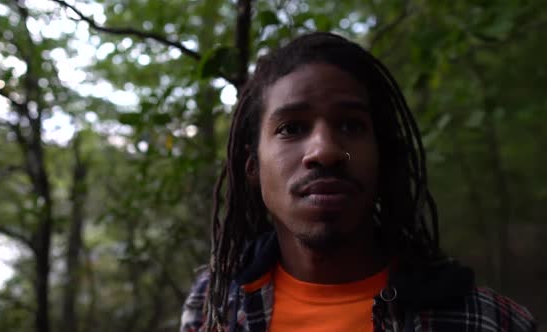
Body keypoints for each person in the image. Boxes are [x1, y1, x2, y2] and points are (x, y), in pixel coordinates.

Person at [180, 32, 536, 332]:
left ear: (383, 157)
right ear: (252, 166)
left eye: (351, 126)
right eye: (291, 128)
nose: (325, 151)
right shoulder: (212, 304)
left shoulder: (490, 322)